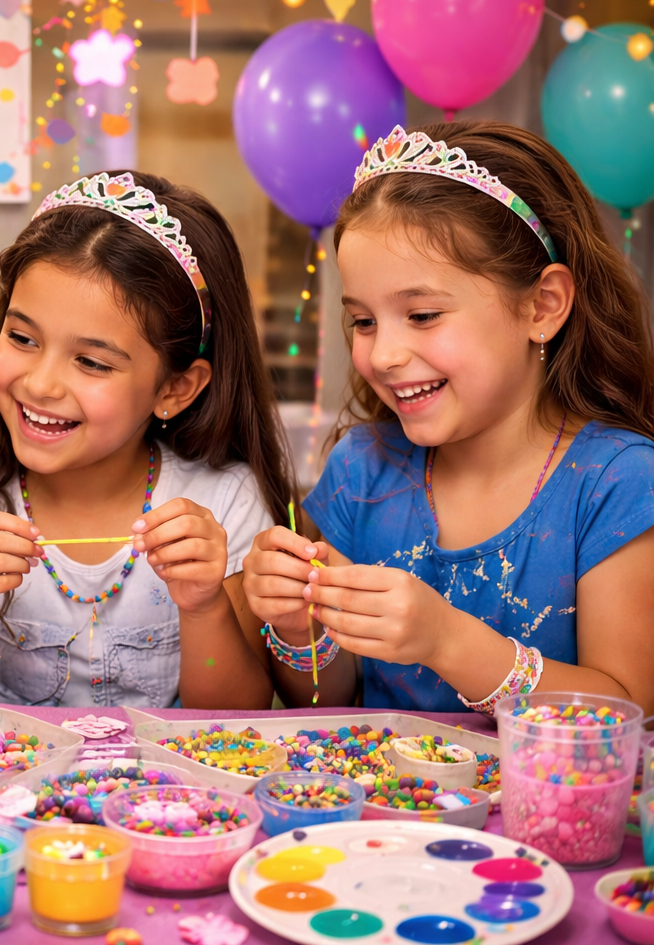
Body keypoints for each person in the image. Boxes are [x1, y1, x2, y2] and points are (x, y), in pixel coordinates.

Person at [244, 122, 654, 715]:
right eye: (363, 321)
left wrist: (448, 641)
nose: (382, 354)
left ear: (542, 306)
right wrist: (297, 624)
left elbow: (629, 709)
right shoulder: (362, 471)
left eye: (424, 314)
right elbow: (325, 698)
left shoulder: (616, 484)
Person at [0, 171, 294, 708]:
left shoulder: (223, 503)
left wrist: (204, 607)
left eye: (91, 362)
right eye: (22, 337)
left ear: (175, 388)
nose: (39, 383)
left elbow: (234, 719)